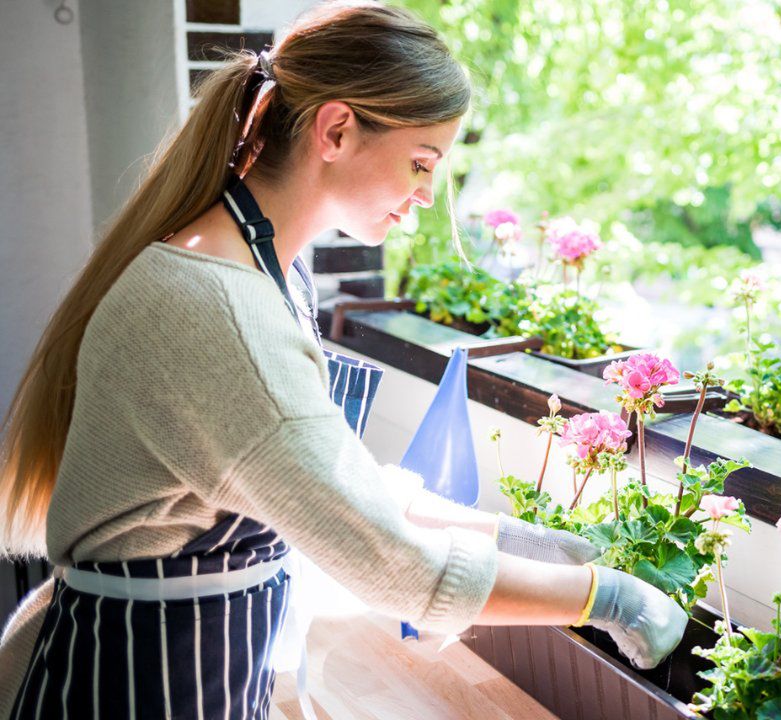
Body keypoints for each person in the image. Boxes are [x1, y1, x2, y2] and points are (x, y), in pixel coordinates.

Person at [0, 2, 687, 718]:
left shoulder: (265, 273)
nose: (425, 196)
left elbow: (339, 487)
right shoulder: (218, 310)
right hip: (129, 688)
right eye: (422, 163)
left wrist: (527, 542)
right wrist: (609, 599)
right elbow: (399, 570)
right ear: (335, 130)